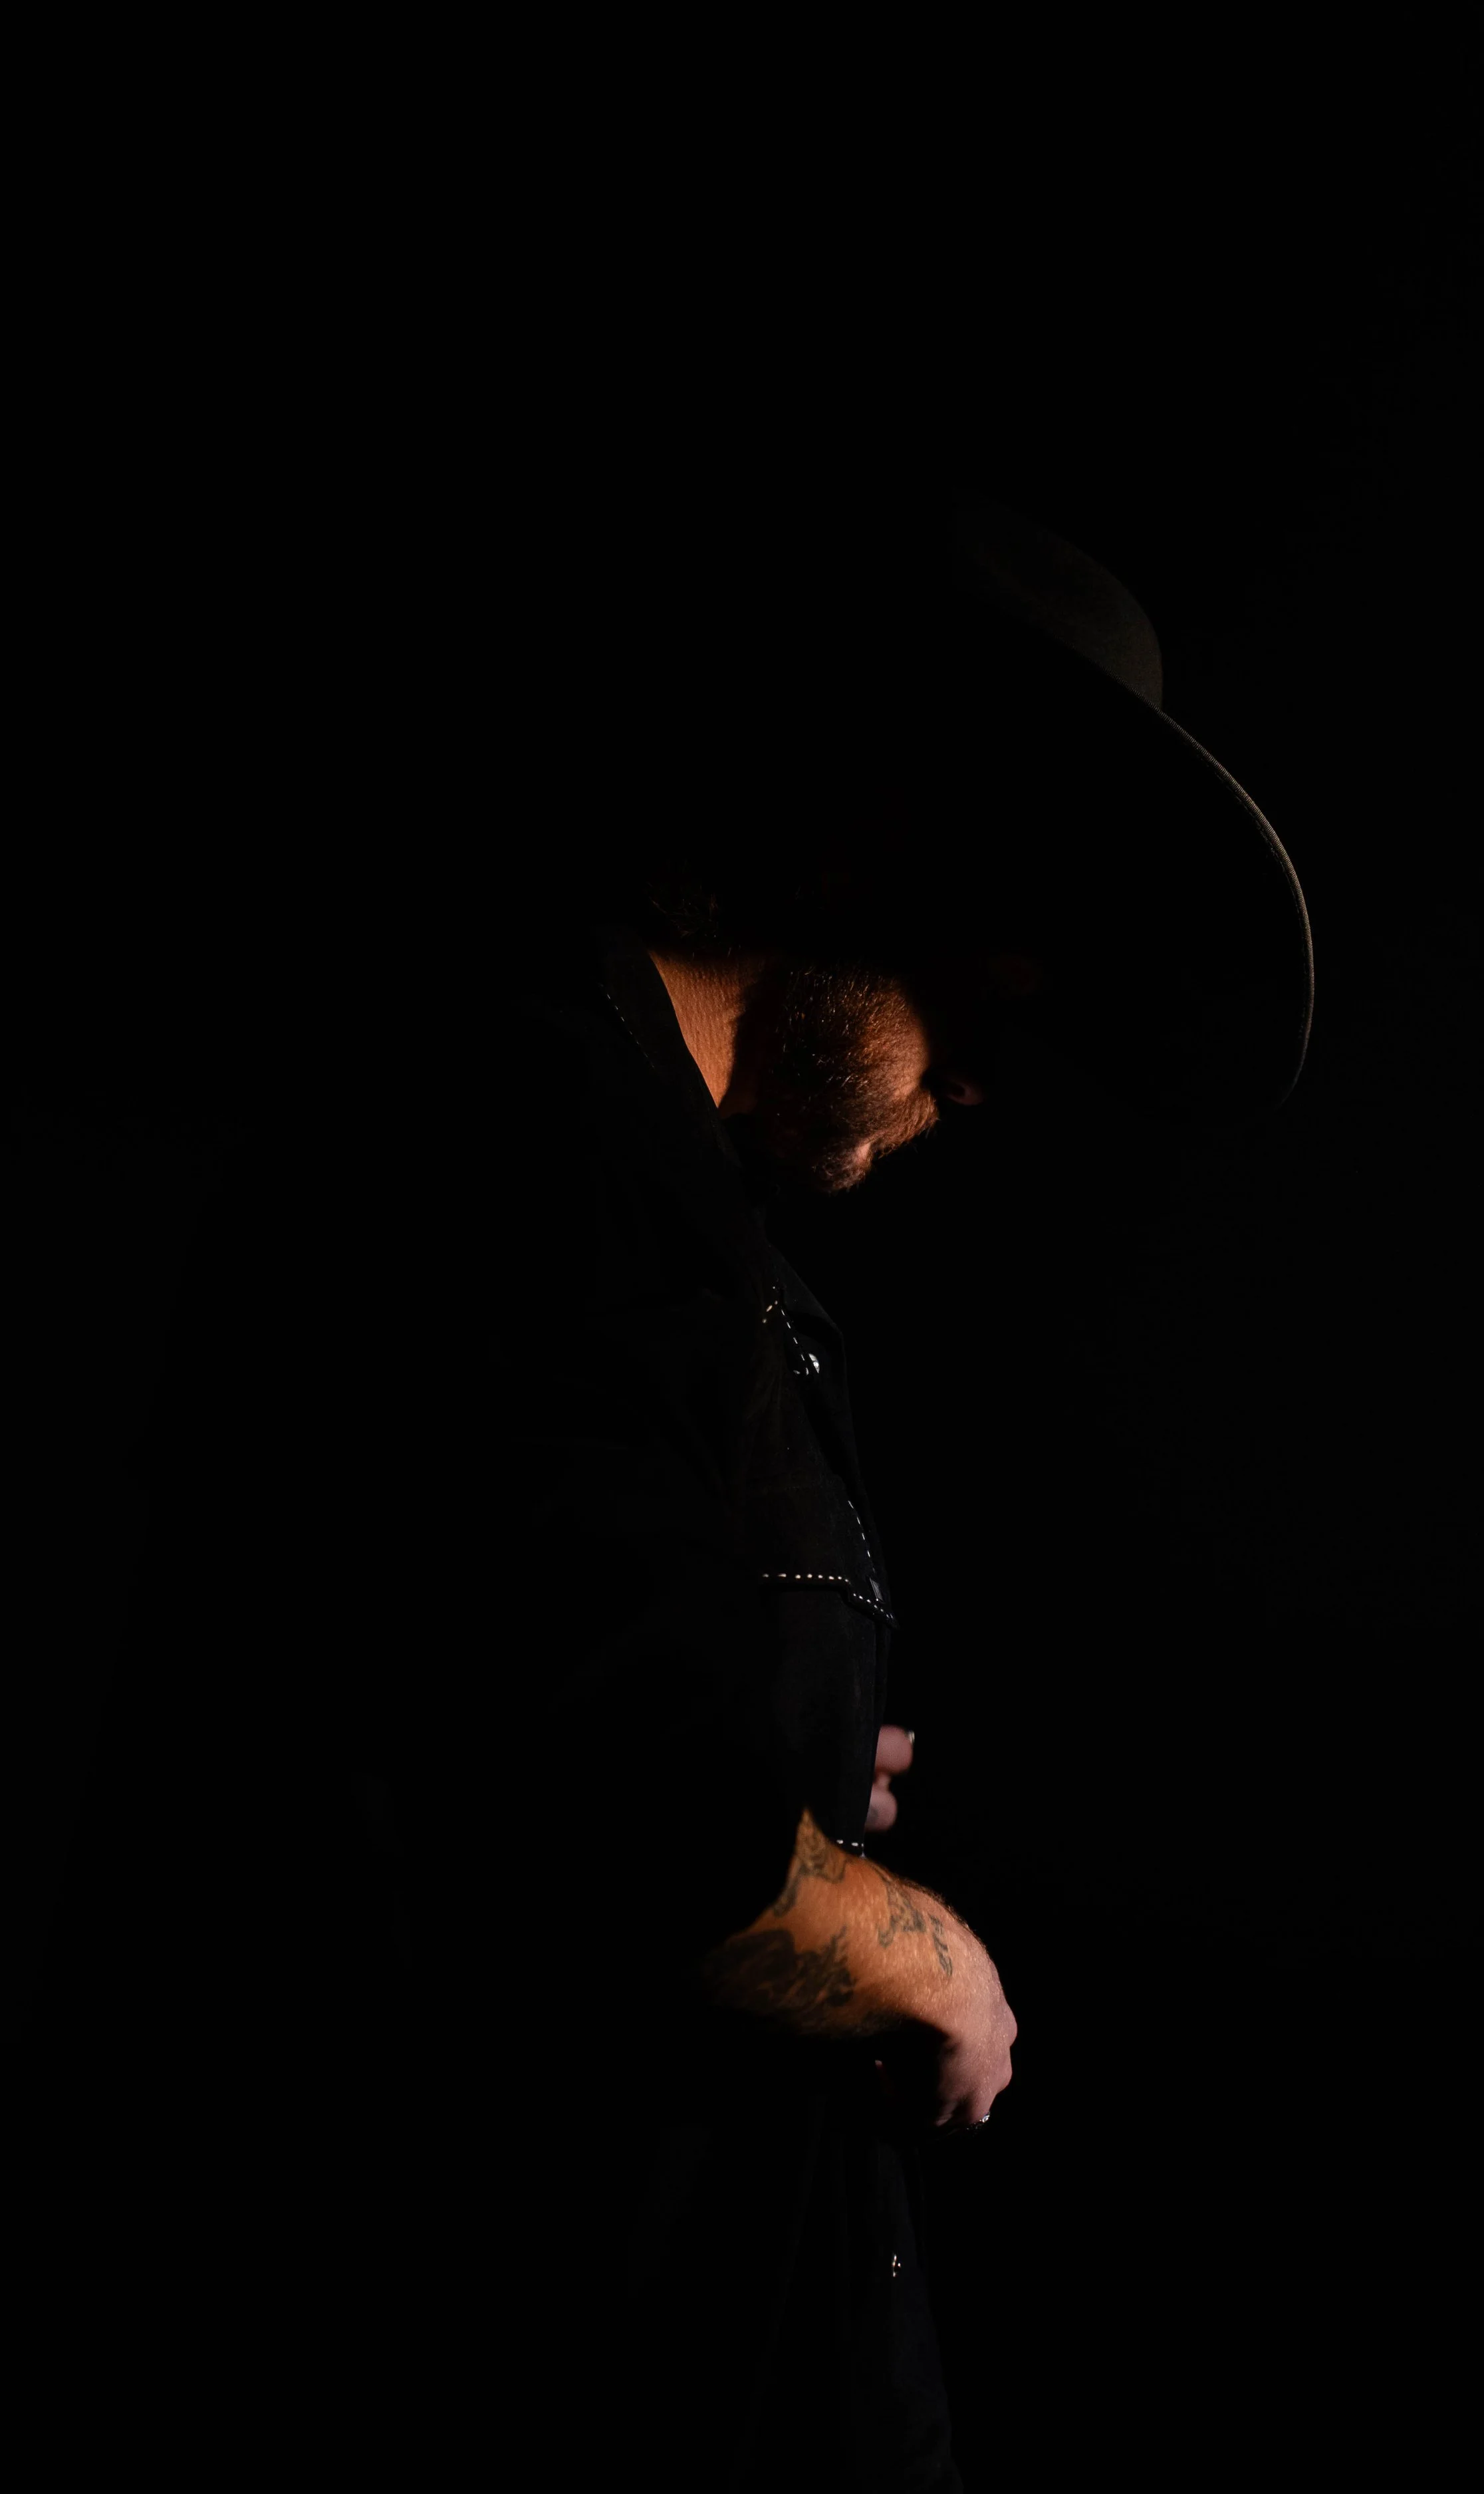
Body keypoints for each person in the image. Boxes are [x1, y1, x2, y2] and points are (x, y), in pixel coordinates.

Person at [22, 480, 1311, 2487]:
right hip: (510, 2378)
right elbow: (617, 1818)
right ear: (862, 836)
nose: (988, 1071)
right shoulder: (504, 1136)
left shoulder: (712, 1239)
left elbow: (589, 1657)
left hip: (730, 2354)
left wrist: (782, 1727)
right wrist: (924, 1955)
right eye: (992, 971)